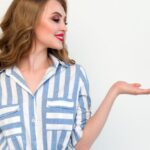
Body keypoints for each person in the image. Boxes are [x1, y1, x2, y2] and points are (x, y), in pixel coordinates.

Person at [0, 0, 150, 150]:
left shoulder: (74, 75)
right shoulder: (2, 80)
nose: (64, 28)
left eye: (65, 22)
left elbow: (81, 145)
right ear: (30, 19)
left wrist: (115, 90)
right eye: (56, 19)